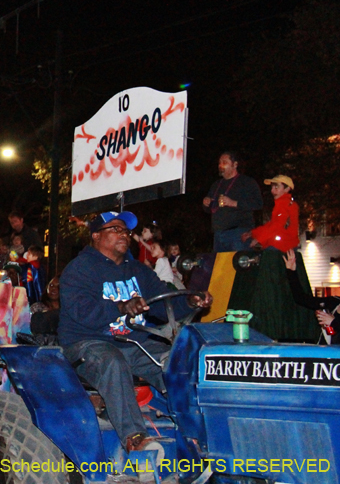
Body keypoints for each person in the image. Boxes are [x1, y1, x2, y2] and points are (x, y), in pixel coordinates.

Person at [59, 211, 212, 453]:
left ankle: (197, 428)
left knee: (175, 361)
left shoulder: (138, 271)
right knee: (112, 361)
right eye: (116, 229)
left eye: (126, 231)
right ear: (96, 236)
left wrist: (191, 301)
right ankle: (135, 437)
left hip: (135, 343)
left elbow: (163, 304)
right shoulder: (79, 269)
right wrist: (119, 307)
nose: (124, 235)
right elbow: (82, 312)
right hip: (88, 343)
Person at [202, 151, 263, 252]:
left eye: (225, 162)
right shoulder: (216, 185)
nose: (221, 165)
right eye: (219, 163)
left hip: (238, 233)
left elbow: (258, 204)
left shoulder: (247, 182)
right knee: (221, 266)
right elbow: (209, 209)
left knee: (237, 266)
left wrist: (234, 203)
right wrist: (206, 203)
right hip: (218, 234)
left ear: (235, 164)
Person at [242, 174, 299, 252]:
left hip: (282, 246)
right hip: (282, 246)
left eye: (276, 187)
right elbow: (272, 225)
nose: (272, 190)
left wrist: (258, 239)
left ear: (287, 189)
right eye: (272, 187)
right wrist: (252, 233)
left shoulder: (285, 205)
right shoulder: (283, 204)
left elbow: (277, 226)